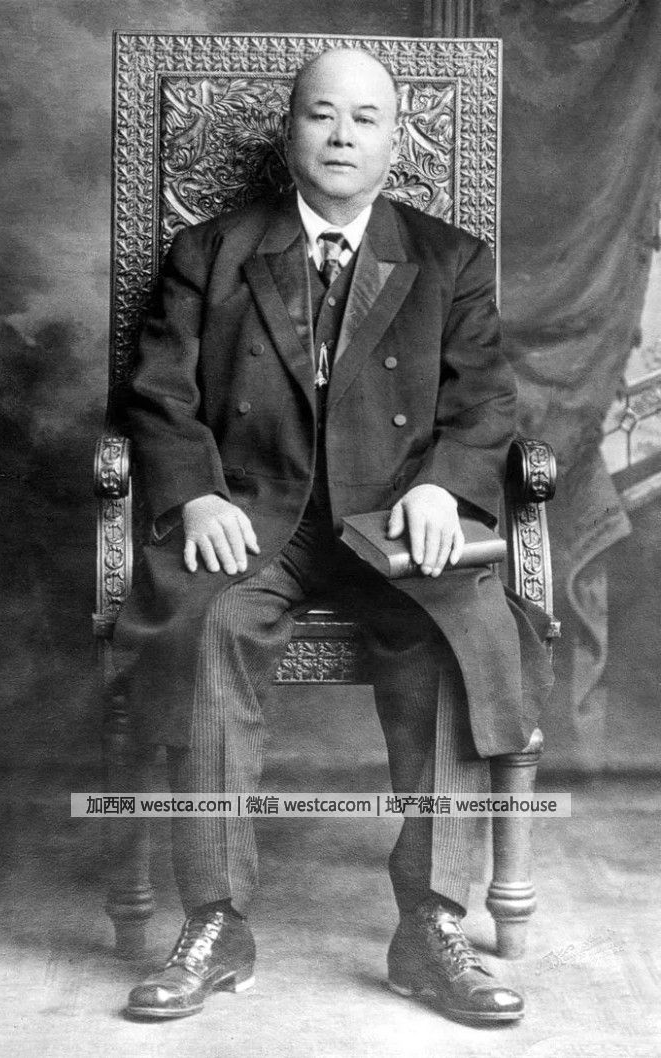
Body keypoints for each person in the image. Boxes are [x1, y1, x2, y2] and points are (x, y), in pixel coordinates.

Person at [114, 47, 553, 1024]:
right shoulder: (210, 250)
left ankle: (430, 923)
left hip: (392, 518)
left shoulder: (450, 259)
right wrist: (196, 496)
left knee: (454, 634)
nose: (342, 136)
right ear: (288, 133)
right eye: (321, 114)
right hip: (253, 514)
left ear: (396, 142)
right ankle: (216, 921)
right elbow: (156, 394)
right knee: (207, 628)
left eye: (365, 119)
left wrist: (443, 486)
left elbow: (484, 403)